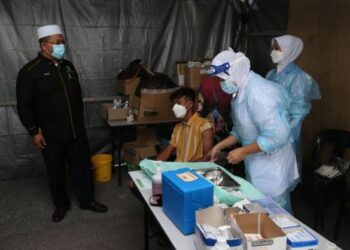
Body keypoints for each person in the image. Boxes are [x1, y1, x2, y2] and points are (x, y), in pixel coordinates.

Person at [16, 24, 107, 223]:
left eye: (62, 41)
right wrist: (34, 131)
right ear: (44, 45)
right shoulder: (30, 71)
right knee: (55, 171)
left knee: (82, 167)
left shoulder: (68, 67)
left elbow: (76, 95)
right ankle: (61, 205)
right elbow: (24, 105)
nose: (61, 45)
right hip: (50, 134)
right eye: (57, 42)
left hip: (75, 130)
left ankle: (87, 200)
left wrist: (80, 120)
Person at [208, 49, 299, 213]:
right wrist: (219, 146)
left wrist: (243, 151)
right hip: (257, 161)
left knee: (276, 215)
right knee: (259, 210)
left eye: (222, 79)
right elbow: (241, 130)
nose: (221, 83)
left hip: (273, 166)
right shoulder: (240, 91)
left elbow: (278, 136)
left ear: (235, 71)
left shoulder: (259, 93)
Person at [266, 35, 321, 177]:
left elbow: (297, 115)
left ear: (289, 50)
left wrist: (281, 137)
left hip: (284, 137)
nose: (273, 52)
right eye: (272, 48)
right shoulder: (271, 74)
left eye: (277, 48)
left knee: (280, 181)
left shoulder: (299, 78)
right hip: (265, 132)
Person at [156, 87, 214, 162]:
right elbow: (167, 153)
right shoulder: (178, 127)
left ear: (190, 104)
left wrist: (185, 167)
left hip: (193, 171)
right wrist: (154, 165)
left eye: (178, 103)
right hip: (178, 168)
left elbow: (207, 158)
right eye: (174, 103)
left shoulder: (205, 125)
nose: (175, 107)